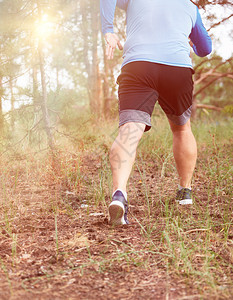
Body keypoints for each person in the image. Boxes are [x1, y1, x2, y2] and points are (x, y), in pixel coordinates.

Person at [100, 0, 212, 225]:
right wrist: (192, 42)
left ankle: (119, 195)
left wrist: (108, 30)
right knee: (182, 128)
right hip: (177, 69)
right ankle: (185, 193)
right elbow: (206, 49)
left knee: (129, 129)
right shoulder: (190, 7)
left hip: (139, 66)